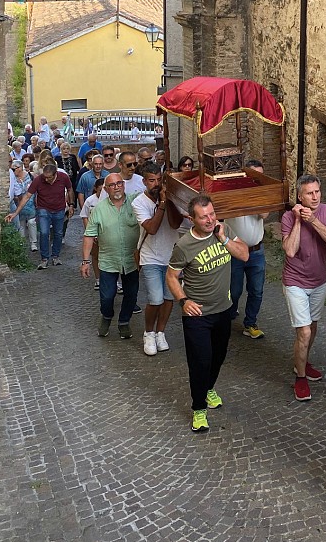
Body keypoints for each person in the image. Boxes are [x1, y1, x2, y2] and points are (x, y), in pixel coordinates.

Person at [166, 194, 249, 432]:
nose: (210, 220)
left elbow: (244, 254)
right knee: (200, 362)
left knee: (218, 357)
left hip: (223, 310)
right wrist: (183, 301)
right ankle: (199, 409)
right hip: (197, 316)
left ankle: (209, 387)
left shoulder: (223, 230)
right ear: (191, 219)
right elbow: (171, 276)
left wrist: (224, 239)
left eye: (212, 214)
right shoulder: (184, 246)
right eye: (204, 217)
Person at [281, 173, 326, 402]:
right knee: (304, 331)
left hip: (319, 281)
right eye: (309, 193)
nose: (315, 197)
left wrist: (314, 221)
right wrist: (299, 221)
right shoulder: (288, 217)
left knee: (312, 327)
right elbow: (290, 250)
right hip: (295, 281)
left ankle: (302, 362)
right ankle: (300, 378)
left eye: (317, 191)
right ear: (300, 196)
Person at [80, 173, 140, 339]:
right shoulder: (99, 209)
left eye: (119, 183)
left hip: (131, 260)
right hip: (108, 260)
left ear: (124, 185)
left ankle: (124, 322)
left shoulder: (136, 203)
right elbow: (89, 235)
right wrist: (85, 261)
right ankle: (106, 316)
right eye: (112, 185)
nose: (117, 187)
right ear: (106, 189)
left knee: (131, 294)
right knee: (107, 296)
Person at [132, 163, 183, 356]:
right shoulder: (138, 203)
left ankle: (161, 332)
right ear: (144, 182)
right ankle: (149, 333)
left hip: (171, 256)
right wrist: (161, 203)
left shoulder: (170, 198)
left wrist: (169, 202)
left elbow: (175, 223)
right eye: (152, 180)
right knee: (155, 298)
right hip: (150, 256)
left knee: (169, 298)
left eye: (159, 180)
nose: (156, 184)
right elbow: (152, 229)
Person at [226, 159, 269, 339]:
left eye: (260, 175)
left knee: (256, 290)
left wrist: (254, 195)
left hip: (256, 251)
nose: (258, 179)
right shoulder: (232, 192)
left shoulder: (262, 194)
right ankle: (229, 313)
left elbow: (264, 214)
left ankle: (250, 323)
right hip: (235, 251)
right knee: (234, 290)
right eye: (254, 175)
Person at [6, 162, 74, 269]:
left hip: (59, 209)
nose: (46, 180)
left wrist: (71, 205)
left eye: (49, 178)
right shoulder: (38, 180)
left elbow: (70, 190)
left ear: (55, 174)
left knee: (58, 233)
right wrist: (16, 213)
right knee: (44, 233)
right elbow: (27, 196)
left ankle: (55, 256)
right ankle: (44, 258)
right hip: (44, 209)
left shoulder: (63, 177)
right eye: (45, 177)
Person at [79, 178, 105, 289]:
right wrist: (90, 232)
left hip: (105, 232)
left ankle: (116, 281)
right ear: (96, 189)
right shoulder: (90, 201)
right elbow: (85, 216)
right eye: (100, 190)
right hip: (94, 233)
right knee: (95, 256)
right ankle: (98, 279)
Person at [10, 160, 37, 251]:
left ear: (20, 168)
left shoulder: (30, 176)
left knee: (31, 222)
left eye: (14, 169)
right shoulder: (12, 178)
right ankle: (22, 243)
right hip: (18, 204)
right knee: (21, 224)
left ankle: (33, 243)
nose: (13, 171)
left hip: (30, 204)